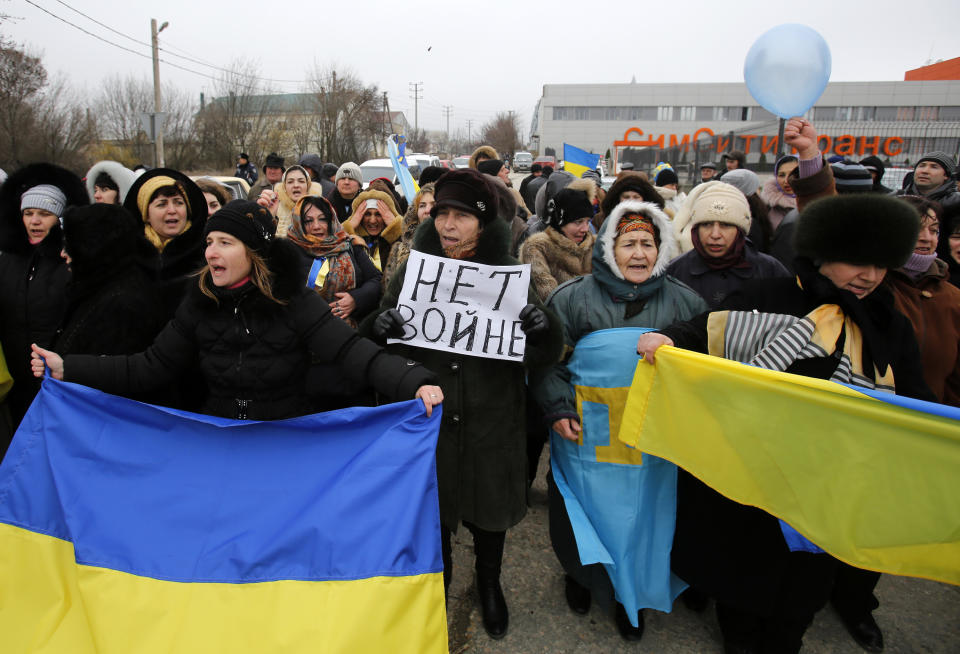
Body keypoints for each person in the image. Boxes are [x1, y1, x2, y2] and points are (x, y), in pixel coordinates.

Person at [637, 191, 934, 654]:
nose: (870, 276)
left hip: (829, 485)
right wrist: (666, 338)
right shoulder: (772, 294)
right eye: (858, 261)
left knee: (801, 594)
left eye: (881, 265)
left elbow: (915, 397)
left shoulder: (886, 321)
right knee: (742, 583)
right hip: (754, 476)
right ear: (824, 253)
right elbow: (708, 329)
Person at [362, 168, 564, 640]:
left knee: (489, 510)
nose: (449, 224)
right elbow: (377, 332)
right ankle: (440, 581)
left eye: (461, 217)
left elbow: (546, 349)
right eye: (443, 214)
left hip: (492, 418)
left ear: (482, 221)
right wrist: (381, 324)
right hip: (429, 416)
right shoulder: (416, 270)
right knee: (433, 510)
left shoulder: (510, 273)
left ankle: (489, 584)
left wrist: (540, 325)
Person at [31, 200, 442, 424]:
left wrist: (415, 382)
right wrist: (69, 367)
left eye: (225, 242)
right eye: (210, 241)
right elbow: (147, 367)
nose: (211, 252)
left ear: (254, 253)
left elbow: (356, 355)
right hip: (218, 436)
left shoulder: (295, 302)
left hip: (284, 436)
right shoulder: (198, 301)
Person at [532, 198, 707, 641]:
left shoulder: (686, 304)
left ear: (661, 248)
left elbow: (705, 370)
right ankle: (581, 576)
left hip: (653, 439)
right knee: (583, 511)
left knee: (644, 515)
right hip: (586, 435)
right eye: (628, 242)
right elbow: (547, 362)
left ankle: (631, 596)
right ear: (609, 247)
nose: (639, 254)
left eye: (648, 243)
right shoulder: (570, 298)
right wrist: (557, 408)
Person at [0, 163, 88, 438]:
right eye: (28, 213)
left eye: (44, 214)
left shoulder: (71, 261)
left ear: (60, 218)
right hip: (14, 379)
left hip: (56, 377)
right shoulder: (8, 259)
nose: (34, 221)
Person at [54, 203, 167, 389]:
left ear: (93, 247)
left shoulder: (124, 301)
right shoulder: (99, 285)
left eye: (70, 245)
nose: (63, 254)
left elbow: (117, 381)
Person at [668, 181, 790, 309]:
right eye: (706, 224)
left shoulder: (770, 271)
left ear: (740, 231)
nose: (715, 234)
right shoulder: (674, 272)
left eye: (725, 225)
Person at [122, 168, 209, 318]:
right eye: (162, 204)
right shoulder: (127, 257)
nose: (172, 210)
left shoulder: (206, 253)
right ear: (146, 215)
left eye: (178, 203)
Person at [288, 195, 381, 328]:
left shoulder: (349, 244)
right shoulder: (288, 252)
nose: (316, 226)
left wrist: (355, 299)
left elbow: (375, 279)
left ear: (331, 220)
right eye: (308, 221)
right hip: (306, 332)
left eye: (323, 219)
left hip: (352, 330)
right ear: (299, 223)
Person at [520, 187, 596, 302]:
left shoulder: (596, 245)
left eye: (587, 221)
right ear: (560, 222)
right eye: (578, 222)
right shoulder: (538, 248)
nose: (585, 229)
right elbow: (550, 300)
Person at [382, 183, 435, 287]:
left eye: (433, 205)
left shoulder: (454, 251)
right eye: (422, 205)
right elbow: (388, 293)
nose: (427, 210)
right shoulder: (399, 250)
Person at [343, 189, 401, 272]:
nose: (372, 220)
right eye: (367, 214)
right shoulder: (351, 241)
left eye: (378, 214)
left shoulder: (398, 242)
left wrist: (396, 228)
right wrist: (348, 227)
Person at [258, 165, 323, 238]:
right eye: (290, 182)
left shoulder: (321, 208)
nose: (296, 185)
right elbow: (263, 239)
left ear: (307, 186)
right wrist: (265, 217)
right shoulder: (275, 209)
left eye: (301, 181)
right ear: (284, 187)